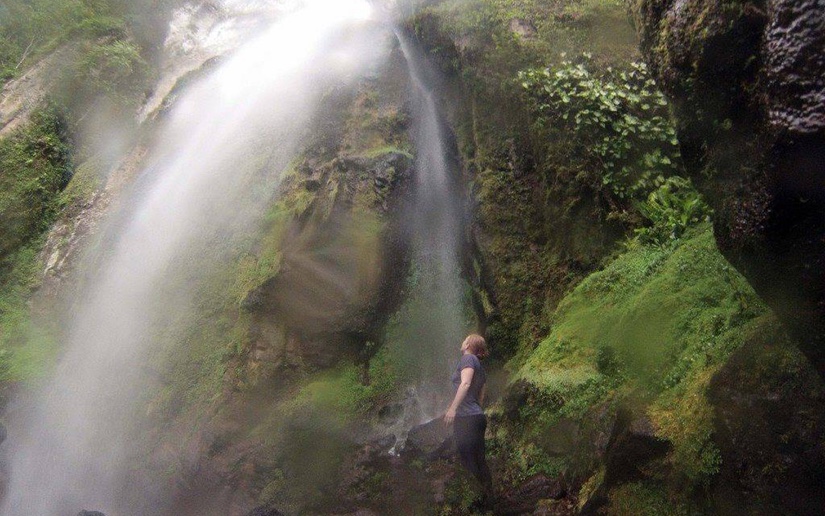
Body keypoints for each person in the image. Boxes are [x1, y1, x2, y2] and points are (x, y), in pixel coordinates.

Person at [444, 333, 493, 497]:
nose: (462, 341)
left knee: (467, 460)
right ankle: (489, 500)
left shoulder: (468, 359)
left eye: (465, 339)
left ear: (468, 345)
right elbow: (481, 397)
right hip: (477, 417)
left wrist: (453, 409)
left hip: (466, 419)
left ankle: (475, 502)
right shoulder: (481, 367)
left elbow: (465, 384)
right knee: (480, 459)